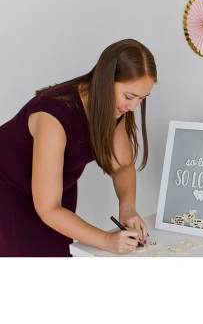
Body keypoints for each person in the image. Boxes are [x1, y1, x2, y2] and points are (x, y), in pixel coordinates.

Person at [0, 39, 157, 257]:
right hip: (9, 193)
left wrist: (128, 209)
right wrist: (106, 240)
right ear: (105, 81)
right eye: (129, 96)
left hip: (55, 196)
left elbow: (122, 166)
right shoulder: (52, 116)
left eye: (141, 99)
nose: (132, 107)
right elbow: (48, 208)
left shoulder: (114, 110)